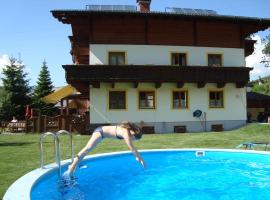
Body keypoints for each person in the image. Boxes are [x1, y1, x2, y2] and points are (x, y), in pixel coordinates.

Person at [64, 121, 146, 177]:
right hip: (100, 132)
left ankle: (73, 165)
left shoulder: (129, 131)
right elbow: (132, 148)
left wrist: (138, 157)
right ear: (133, 133)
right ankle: (71, 167)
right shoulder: (126, 133)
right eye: (134, 139)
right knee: (87, 148)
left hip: (102, 134)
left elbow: (133, 150)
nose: (132, 140)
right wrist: (141, 158)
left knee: (87, 149)